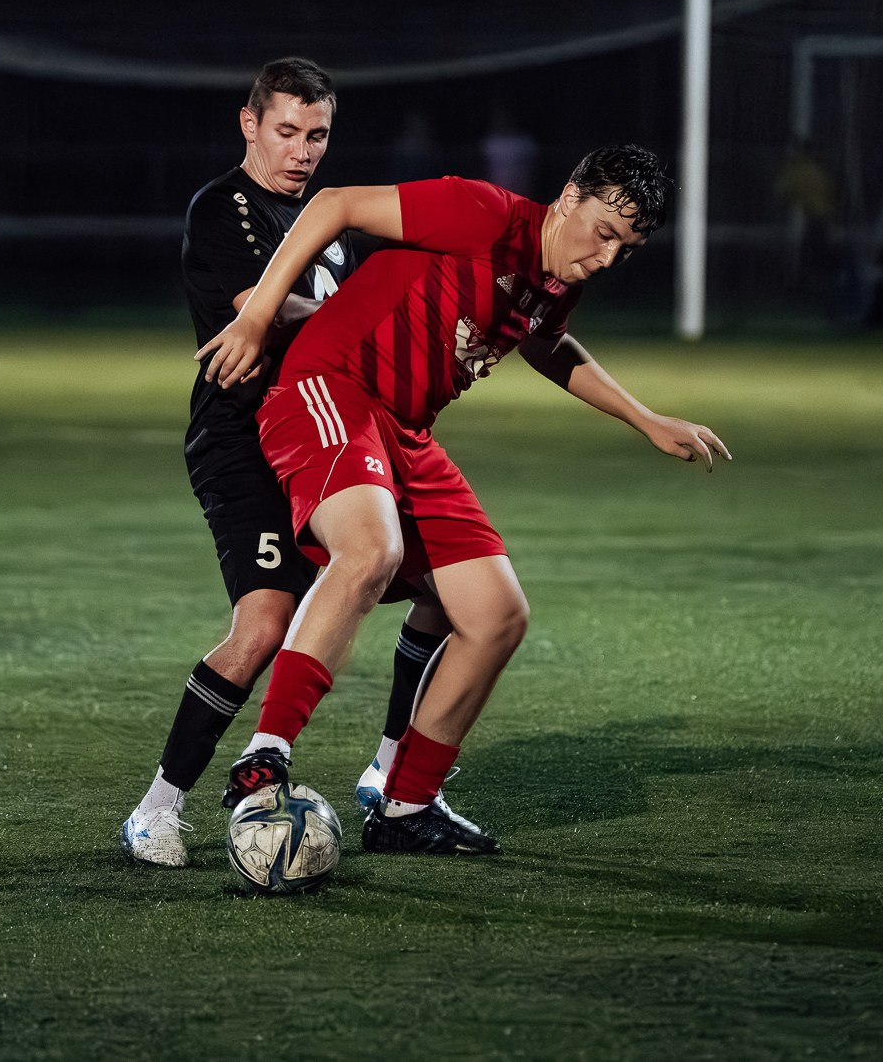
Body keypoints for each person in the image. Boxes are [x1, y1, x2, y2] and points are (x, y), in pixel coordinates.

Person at [198, 144, 728, 854]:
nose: (607, 258)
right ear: (570, 196)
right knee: (371, 550)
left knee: (497, 614)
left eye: (625, 250)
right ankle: (266, 753)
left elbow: (548, 343)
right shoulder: (483, 213)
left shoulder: (556, 279)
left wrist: (646, 419)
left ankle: (406, 805)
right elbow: (336, 204)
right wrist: (257, 316)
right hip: (332, 387)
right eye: (604, 233)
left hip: (405, 432)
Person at [120, 57, 457, 866]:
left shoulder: (330, 221)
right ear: (249, 124)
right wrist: (367, 317)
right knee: (266, 622)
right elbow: (265, 309)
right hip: (243, 440)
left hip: (330, 434)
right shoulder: (225, 208)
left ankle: (389, 776)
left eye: (318, 134)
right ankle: (156, 807)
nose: (302, 151)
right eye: (286, 131)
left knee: (452, 586)